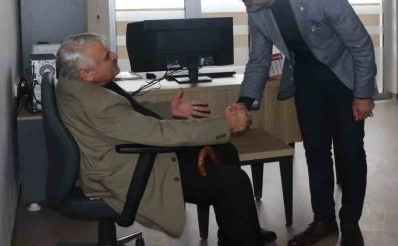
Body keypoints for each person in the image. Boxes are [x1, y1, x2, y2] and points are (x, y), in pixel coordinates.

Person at [54, 33, 277, 246]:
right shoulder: (99, 103)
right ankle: (242, 234)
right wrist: (225, 125)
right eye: (106, 56)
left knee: (224, 150)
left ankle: (242, 230)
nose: (114, 55)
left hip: (116, 156)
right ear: (86, 74)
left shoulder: (74, 85)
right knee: (233, 182)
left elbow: (126, 116)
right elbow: (160, 133)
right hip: (128, 172)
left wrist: (168, 109)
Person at [231, 0, 378, 246]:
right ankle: (324, 221)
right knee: (315, 153)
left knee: (350, 153)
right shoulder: (257, 11)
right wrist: (244, 102)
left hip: (344, 81)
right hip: (307, 84)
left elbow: (361, 45)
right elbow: (259, 60)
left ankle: (350, 222)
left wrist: (363, 94)